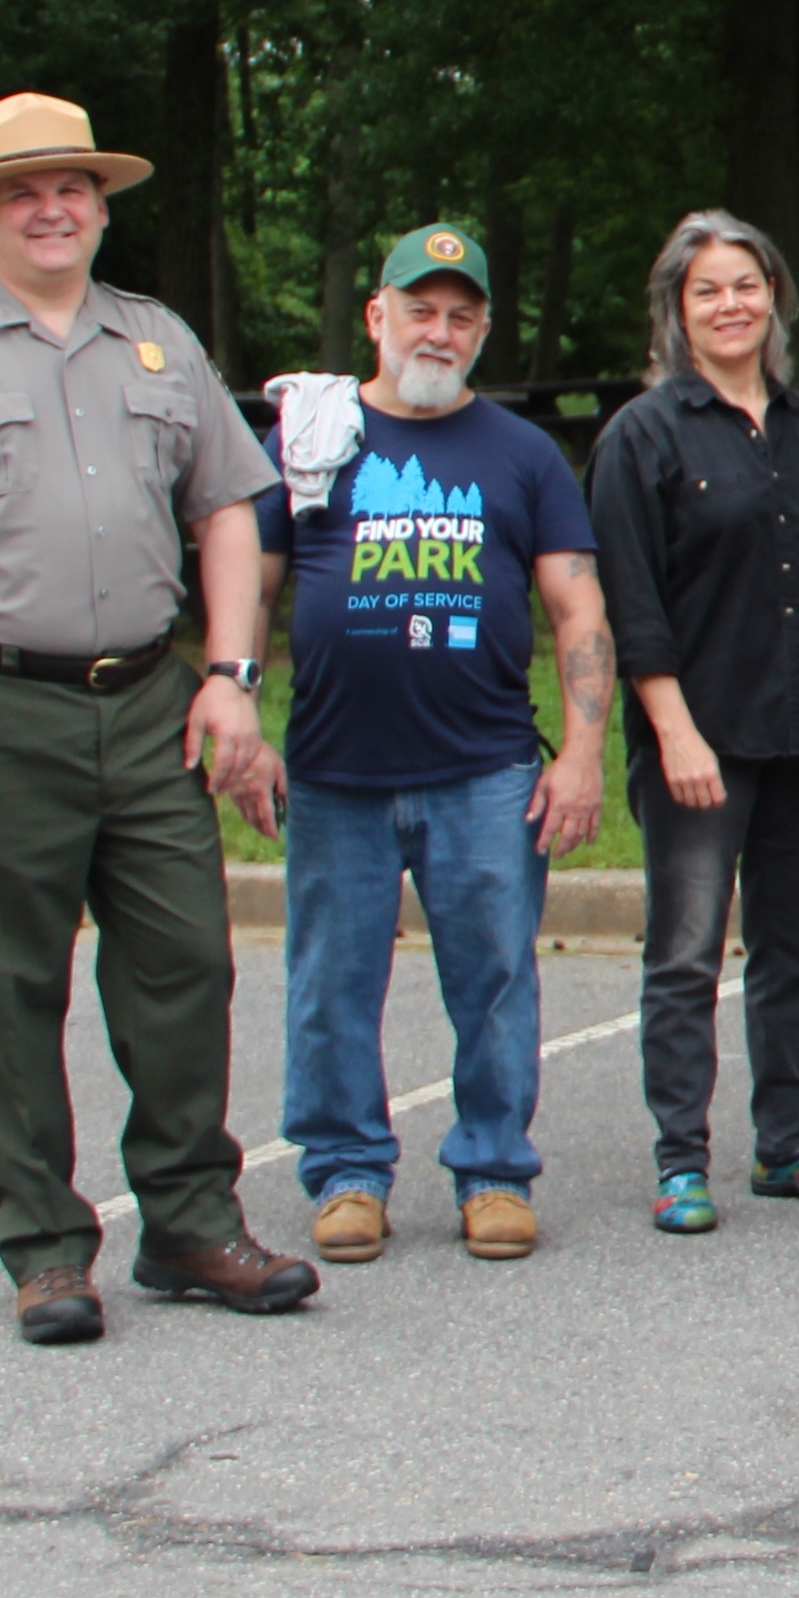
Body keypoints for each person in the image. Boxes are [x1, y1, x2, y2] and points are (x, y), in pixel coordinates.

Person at [0, 92, 312, 1341]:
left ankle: (193, 1224)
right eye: (23, 189)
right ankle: (44, 1247)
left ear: (99, 206)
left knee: (186, 962)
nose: (52, 206)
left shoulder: (158, 343)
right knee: (6, 984)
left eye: (73, 187)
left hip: (148, 701)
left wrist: (231, 677)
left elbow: (228, 511)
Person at [263, 224, 613, 1268]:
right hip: (335, 768)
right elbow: (254, 579)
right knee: (330, 981)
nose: (440, 329)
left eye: (462, 314)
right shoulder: (314, 434)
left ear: (485, 330)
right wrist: (231, 699)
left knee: (496, 975)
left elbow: (576, 602)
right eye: (421, 308)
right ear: (378, 316)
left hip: (486, 765)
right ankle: (347, 1173)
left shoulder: (522, 453)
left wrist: (584, 751)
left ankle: (495, 1168)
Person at [586, 210, 799, 1236]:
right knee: (683, 952)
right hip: (699, 734)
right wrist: (671, 727)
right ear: (678, 309)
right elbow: (631, 600)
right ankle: (682, 1158)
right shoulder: (644, 433)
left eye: (747, 285)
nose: (731, 304)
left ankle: (787, 1145)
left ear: (775, 299)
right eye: (707, 289)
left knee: (790, 948)